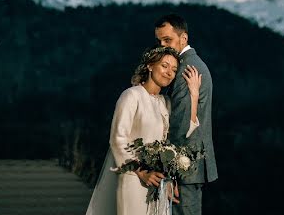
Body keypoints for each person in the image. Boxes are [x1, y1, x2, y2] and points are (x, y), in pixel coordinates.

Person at [85, 46, 202, 215]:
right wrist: (141, 171)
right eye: (164, 65)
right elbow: (118, 138)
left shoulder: (166, 102)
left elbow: (183, 134)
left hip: (159, 182)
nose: (169, 72)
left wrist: (194, 95)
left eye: (174, 69)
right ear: (150, 65)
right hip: (134, 178)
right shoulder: (131, 96)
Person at [154, 14, 217, 215]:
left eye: (168, 40)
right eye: (159, 41)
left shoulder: (185, 70)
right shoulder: (191, 64)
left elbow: (180, 125)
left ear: (184, 38)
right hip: (191, 165)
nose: (163, 46)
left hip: (185, 167)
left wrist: (172, 173)